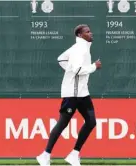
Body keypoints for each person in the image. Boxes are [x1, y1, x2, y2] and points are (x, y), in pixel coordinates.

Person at [36, 24, 102, 166]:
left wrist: (70, 70)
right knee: (62, 123)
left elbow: (61, 59)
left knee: (91, 122)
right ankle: (45, 155)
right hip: (72, 94)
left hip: (83, 93)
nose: (91, 33)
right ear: (80, 35)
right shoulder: (79, 49)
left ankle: (74, 154)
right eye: (87, 32)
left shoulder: (81, 48)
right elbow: (78, 70)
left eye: (90, 31)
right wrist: (94, 67)